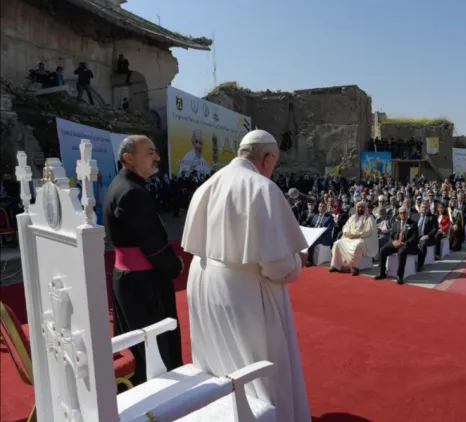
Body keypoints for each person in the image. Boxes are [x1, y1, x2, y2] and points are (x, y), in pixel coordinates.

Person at [181, 129, 311, 421]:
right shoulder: (262, 188)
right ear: (267, 158)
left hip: (203, 281)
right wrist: (297, 260)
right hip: (243, 292)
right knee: (259, 370)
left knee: (218, 360)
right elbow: (277, 267)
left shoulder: (207, 184)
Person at [104, 135, 184, 385]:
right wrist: (175, 266)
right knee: (154, 347)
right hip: (143, 284)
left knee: (137, 342)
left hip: (130, 279)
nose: (157, 157)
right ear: (128, 158)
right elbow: (154, 245)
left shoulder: (123, 184)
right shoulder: (132, 193)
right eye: (149, 153)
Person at [329, 201, 379, 275]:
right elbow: (346, 226)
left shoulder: (369, 218)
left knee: (357, 245)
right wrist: (346, 232)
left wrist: (357, 235)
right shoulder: (352, 217)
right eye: (358, 207)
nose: (360, 209)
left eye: (362, 207)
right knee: (337, 243)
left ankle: (355, 267)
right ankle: (335, 265)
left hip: (362, 239)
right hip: (350, 238)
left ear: (365, 208)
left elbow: (369, 231)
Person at [375, 207, 419, 285]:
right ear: (399, 214)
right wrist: (393, 241)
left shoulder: (413, 223)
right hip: (395, 244)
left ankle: (399, 276)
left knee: (401, 252)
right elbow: (391, 236)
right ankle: (382, 273)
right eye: (401, 213)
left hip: (405, 244)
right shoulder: (396, 223)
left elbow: (414, 237)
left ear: (407, 213)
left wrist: (403, 243)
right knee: (382, 250)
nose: (402, 214)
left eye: (404, 212)